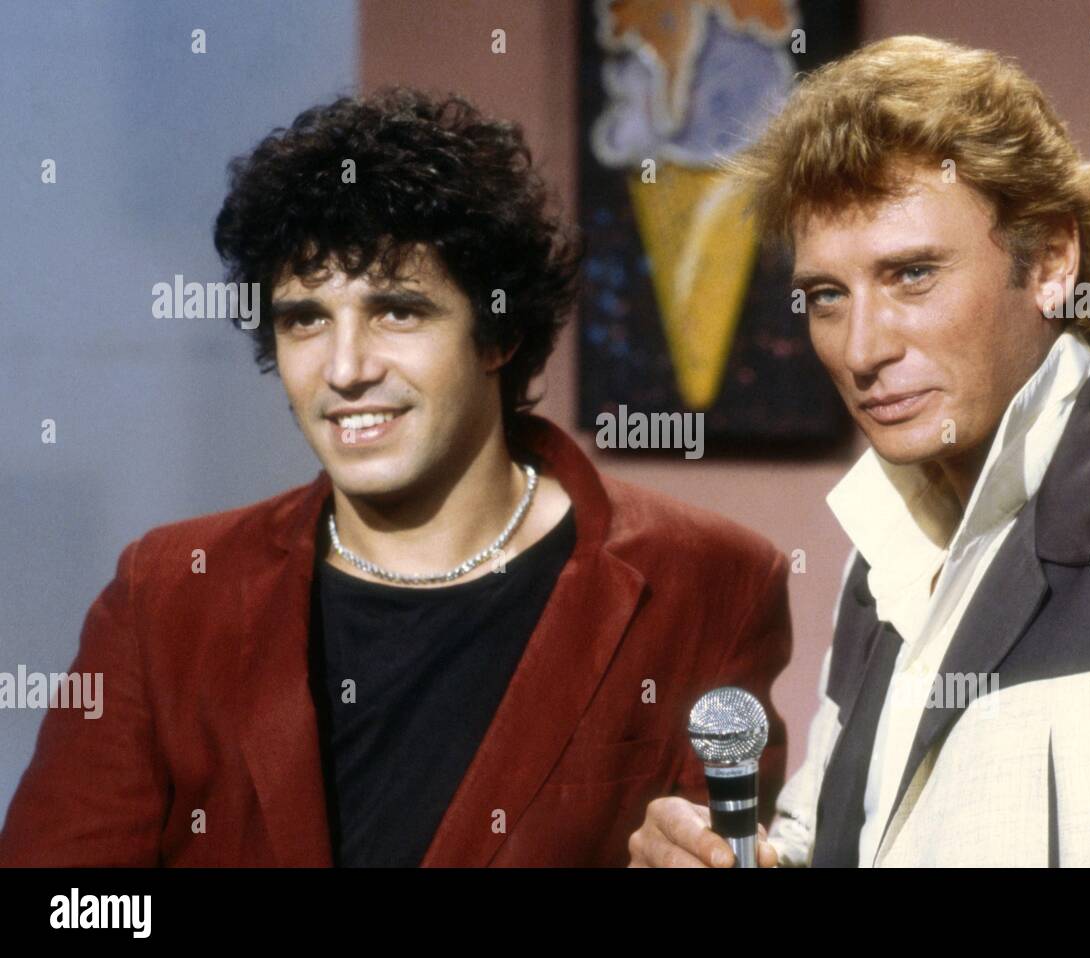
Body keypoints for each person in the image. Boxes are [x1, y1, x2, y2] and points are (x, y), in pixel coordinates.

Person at [0, 89, 791, 867]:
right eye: (305, 318)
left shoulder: (706, 579)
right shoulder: (168, 594)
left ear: (497, 333)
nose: (343, 370)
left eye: (398, 311)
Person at [629, 35, 1090, 867]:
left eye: (912, 274)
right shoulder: (877, 573)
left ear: (1052, 262)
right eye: (827, 296)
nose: (862, 346)